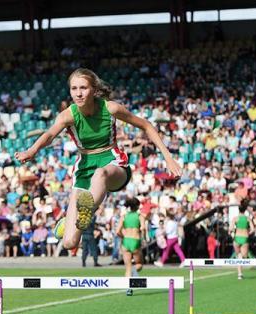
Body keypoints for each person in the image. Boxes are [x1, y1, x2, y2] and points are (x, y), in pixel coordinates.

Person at [15, 68, 181, 251]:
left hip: (112, 163)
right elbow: (49, 135)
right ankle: (75, 216)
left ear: (93, 90)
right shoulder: (68, 115)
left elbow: (146, 125)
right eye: (74, 88)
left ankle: (86, 209)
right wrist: (32, 150)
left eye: (83, 88)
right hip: (85, 167)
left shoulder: (110, 108)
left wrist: (168, 158)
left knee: (100, 174)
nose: (78, 93)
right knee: (70, 243)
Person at [116, 198, 146, 295]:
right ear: (137, 206)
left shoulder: (124, 216)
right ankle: (134, 272)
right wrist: (144, 238)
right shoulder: (140, 216)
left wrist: (123, 236)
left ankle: (128, 289)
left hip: (126, 240)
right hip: (135, 240)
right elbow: (143, 228)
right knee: (139, 264)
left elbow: (117, 231)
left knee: (128, 267)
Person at [230, 199, 254, 279]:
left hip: (237, 238)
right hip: (245, 238)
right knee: (243, 256)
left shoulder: (235, 218)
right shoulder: (247, 219)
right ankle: (240, 273)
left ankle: (239, 273)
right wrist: (248, 233)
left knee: (239, 256)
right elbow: (253, 229)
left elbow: (230, 229)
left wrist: (232, 233)